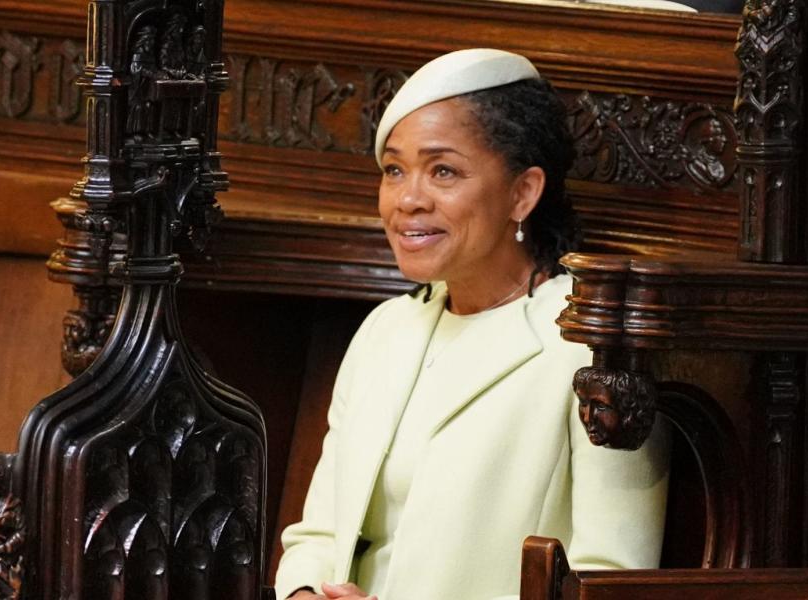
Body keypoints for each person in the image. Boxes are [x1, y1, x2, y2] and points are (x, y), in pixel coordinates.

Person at [274, 48, 670, 600]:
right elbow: (317, 535)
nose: (408, 200)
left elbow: (612, 579)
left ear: (522, 192)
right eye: (394, 170)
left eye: (443, 171)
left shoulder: (592, 349)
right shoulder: (384, 330)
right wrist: (305, 595)